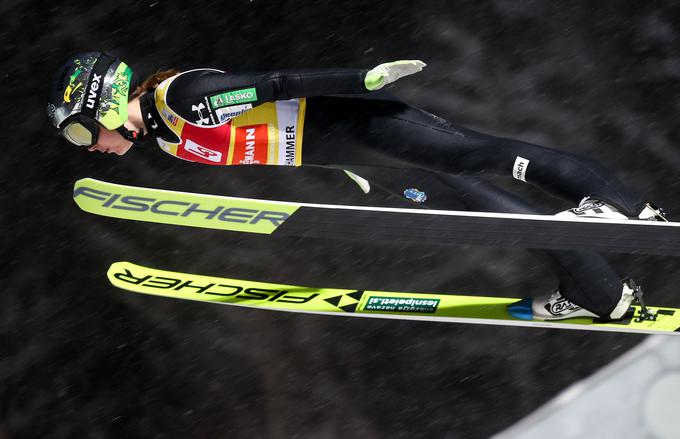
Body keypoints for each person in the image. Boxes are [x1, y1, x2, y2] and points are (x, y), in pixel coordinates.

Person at [47, 51, 667, 322]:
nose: (91, 148)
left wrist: (361, 80)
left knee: (482, 157)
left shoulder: (181, 101)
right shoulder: (163, 135)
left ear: (101, 104)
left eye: (82, 135)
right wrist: (347, 170)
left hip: (365, 125)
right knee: (490, 214)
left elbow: (278, 84)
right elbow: (271, 140)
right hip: (357, 159)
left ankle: (629, 212)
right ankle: (600, 292)